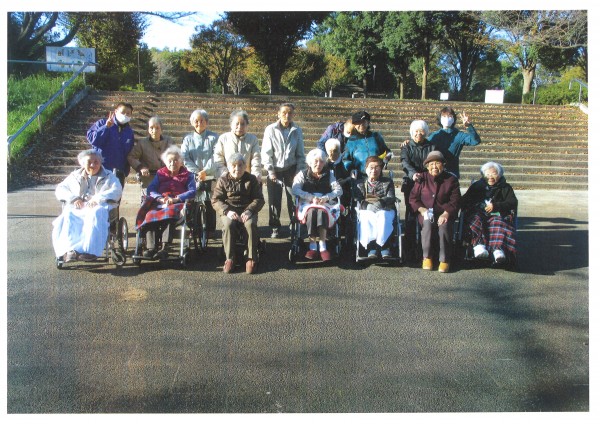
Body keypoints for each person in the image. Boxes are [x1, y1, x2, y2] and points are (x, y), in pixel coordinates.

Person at [52, 150, 123, 262]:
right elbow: (61, 188)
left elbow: (117, 190)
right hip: (79, 206)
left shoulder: (109, 176)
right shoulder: (74, 176)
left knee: (96, 213)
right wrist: (74, 198)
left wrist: (98, 199)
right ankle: (71, 251)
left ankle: (90, 251)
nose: (93, 165)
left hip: (99, 206)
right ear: (82, 163)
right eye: (89, 162)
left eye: (96, 162)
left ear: (100, 162)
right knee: (69, 215)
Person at [135, 146, 196, 260]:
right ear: (165, 162)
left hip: (177, 203)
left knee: (170, 214)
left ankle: (164, 248)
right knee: (149, 215)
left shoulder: (188, 175)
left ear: (181, 161)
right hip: (160, 202)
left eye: (176, 160)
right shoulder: (160, 173)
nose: (172, 163)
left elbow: (192, 191)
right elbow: (151, 189)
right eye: (170, 161)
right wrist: (159, 198)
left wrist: (177, 198)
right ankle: (151, 248)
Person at [211, 153, 265, 274]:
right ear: (228, 166)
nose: (237, 169)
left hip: (247, 210)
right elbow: (216, 200)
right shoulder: (223, 180)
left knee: (250, 224)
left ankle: (251, 257)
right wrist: (227, 211)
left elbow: (259, 199)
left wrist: (250, 210)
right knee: (229, 224)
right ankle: (230, 258)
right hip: (229, 210)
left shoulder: (251, 179)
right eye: (234, 166)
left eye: (240, 165)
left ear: (245, 166)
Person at [409, 150, 461, 273]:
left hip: (444, 212)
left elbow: (456, 200)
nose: (434, 167)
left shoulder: (451, 179)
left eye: (437, 163)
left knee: (444, 225)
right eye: (431, 164)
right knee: (427, 223)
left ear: (443, 165)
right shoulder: (422, 178)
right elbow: (413, 198)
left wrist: (446, 213)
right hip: (425, 211)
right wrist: (422, 210)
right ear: (427, 166)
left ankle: (444, 260)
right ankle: (427, 257)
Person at [261, 102, 306, 238]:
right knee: (274, 201)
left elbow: (300, 153)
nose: (287, 115)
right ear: (278, 114)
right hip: (275, 169)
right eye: (284, 113)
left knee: (293, 198)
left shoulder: (297, 130)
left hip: (291, 169)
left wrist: (299, 172)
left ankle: (294, 224)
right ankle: (275, 226)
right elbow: (266, 153)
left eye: (290, 113)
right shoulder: (270, 129)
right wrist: (270, 171)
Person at [460, 161, 518, 265]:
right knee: (475, 219)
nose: (490, 177)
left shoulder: (505, 187)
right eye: (487, 174)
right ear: (483, 175)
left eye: (494, 173)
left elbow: (513, 202)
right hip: (478, 213)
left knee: (498, 222)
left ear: (499, 175)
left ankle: (498, 250)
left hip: (497, 215)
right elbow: (465, 200)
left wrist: (496, 206)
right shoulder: (477, 186)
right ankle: (479, 246)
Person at [291, 149, 343, 262]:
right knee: (312, 211)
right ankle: (313, 246)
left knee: (321, 212)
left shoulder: (329, 175)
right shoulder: (302, 174)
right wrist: (310, 197)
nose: (318, 164)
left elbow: (339, 190)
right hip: (307, 202)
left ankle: (323, 246)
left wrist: (326, 197)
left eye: (321, 161)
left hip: (324, 202)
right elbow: (295, 189)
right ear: (310, 162)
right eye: (316, 161)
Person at [400, 119, 436, 255]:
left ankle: (425, 244)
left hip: (427, 183)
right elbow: (405, 163)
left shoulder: (432, 147)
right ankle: (409, 245)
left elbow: (433, 162)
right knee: (411, 213)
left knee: (426, 211)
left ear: (425, 132)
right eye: (416, 131)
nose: (418, 134)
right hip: (411, 182)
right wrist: (413, 174)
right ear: (412, 132)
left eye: (421, 131)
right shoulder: (406, 147)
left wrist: (427, 175)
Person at [181, 109, 219, 234]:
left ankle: (210, 230)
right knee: (193, 200)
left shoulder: (214, 137)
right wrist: (197, 172)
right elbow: (184, 157)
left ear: (206, 122)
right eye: (196, 121)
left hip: (210, 174)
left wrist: (206, 171)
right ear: (192, 123)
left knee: (210, 201)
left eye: (202, 120)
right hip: (194, 175)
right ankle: (195, 228)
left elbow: (216, 156)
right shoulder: (187, 139)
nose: (199, 123)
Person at [353, 156, 397, 259]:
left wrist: (380, 203)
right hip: (366, 208)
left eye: (377, 167)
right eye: (371, 167)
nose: (374, 170)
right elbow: (358, 198)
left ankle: (384, 246)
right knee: (367, 217)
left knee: (383, 216)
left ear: (381, 169)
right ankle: (371, 246)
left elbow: (391, 197)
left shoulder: (388, 182)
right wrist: (368, 206)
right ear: (366, 169)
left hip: (385, 208)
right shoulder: (359, 183)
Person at [427, 106, 481, 179]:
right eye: (444, 116)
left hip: (452, 173)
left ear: (453, 119)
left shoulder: (459, 135)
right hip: (436, 172)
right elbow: (424, 147)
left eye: (450, 116)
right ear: (440, 119)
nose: (447, 118)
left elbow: (475, 141)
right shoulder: (435, 135)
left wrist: (469, 126)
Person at [86, 102, 135, 178]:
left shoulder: (129, 132)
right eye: (123, 112)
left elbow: (129, 152)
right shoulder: (102, 123)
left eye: (128, 113)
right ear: (116, 111)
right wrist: (106, 127)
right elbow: (92, 139)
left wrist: (125, 170)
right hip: (100, 169)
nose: (125, 115)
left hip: (119, 172)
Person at [127, 116, 174, 191]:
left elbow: (175, 156)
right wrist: (141, 167)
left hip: (165, 176)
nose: (154, 130)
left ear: (161, 130)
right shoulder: (142, 143)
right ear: (148, 130)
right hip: (147, 177)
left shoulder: (169, 142)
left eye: (157, 128)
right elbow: (131, 157)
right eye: (151, 128)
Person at [214, 110, 261, 181]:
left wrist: (255, 175)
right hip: (227, 179)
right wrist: (225, 175)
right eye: (237, 124)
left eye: (242, 124)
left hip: (247, 179)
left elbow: (256, 159)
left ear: (247, 125)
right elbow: (218, 158)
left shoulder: (253, 139)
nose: (239, 127)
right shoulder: (223, 139)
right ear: (231, 124)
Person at [342, 110, 391, 177]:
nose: (361, 125)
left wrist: (384, 158)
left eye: (364, 122)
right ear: (354, 125)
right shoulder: (351, 141)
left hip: (376, 174)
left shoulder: (376, 136)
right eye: (358, 122)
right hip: (359, 176)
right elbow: (345, 159)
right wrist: (351, 169)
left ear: (368, 122)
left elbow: (386, 152)